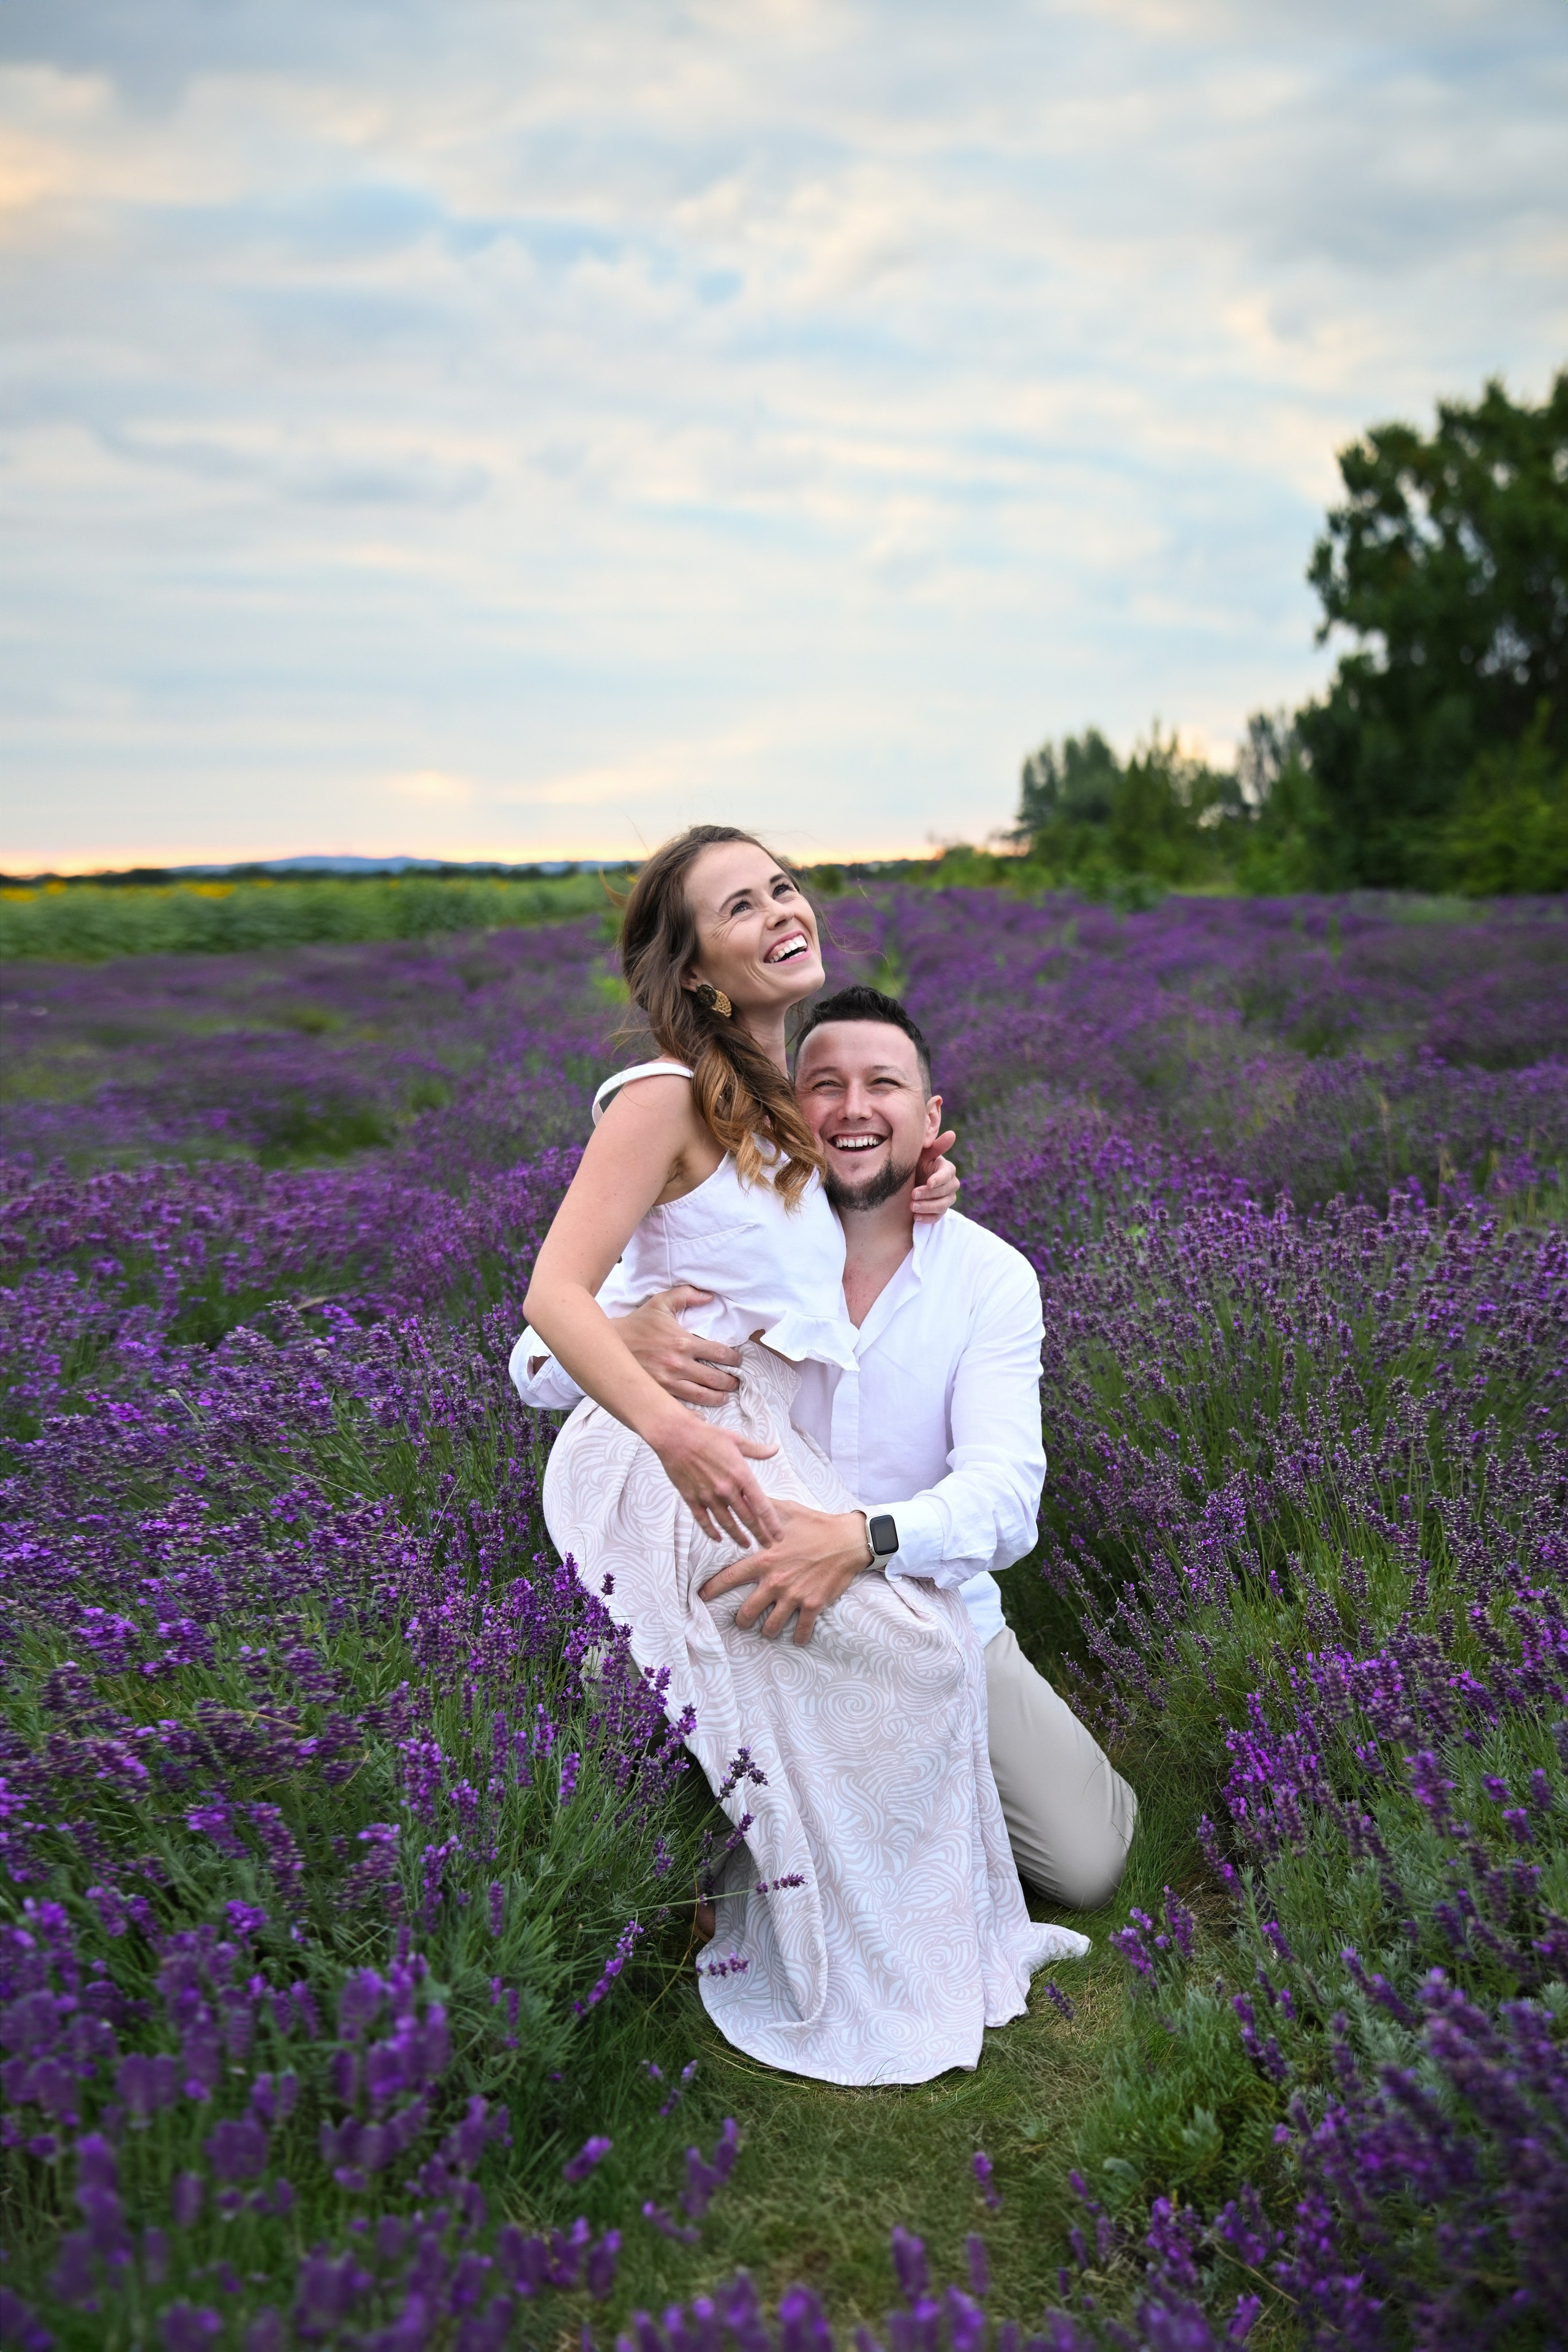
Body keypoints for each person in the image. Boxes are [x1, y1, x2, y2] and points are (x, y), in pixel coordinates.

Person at [515, 824, 1087, 2089]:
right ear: (702, 971)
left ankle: (843, 1897)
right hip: (676, 1466)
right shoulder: (658, 1097)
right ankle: (813, 1921)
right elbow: (550, 1301)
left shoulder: (775, 1121)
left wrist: (914, 1183)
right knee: (914, 1659)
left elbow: (807, 1225)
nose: (780, 908)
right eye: (739, 904)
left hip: (752, 1453)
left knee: (922, 1660)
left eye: (781, 884)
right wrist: (659, 1409)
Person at [516, 984, 1136, 1913]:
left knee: (1090, 1864)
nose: (853, 1108)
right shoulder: (744, 1245)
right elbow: (535, 1361)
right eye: (825, 1085)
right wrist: (627, 1334)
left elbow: (1006, 1497)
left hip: (929, 1607)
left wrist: (863, 1540)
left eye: (883, 1085)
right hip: (748, 1615)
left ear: (930, 1120)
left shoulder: (988, 1277)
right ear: (781, 1113)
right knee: (629, 1824)